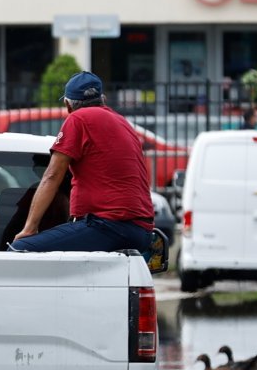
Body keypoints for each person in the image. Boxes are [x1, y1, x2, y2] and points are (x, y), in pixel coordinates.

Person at [10, 71, 154, 253]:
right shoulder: (123, 123)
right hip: (141, 230)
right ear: (103, 99)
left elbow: (52, 175)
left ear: (67, 105)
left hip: (108, 226)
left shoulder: (78, 119)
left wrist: (30, 228)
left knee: (21, 250)